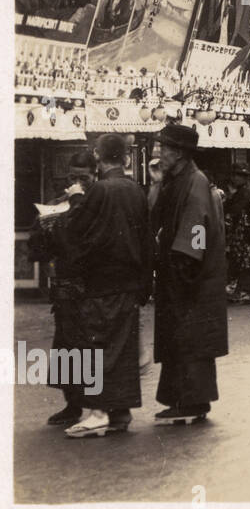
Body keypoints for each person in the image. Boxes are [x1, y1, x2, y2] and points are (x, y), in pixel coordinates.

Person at [56, 137, 153, 437]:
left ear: (98, 156)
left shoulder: (99, 190)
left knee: (97, 346)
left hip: (102, 283)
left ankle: (98, 412)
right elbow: (147, 239)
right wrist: (144, 284)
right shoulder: (136, 190)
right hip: (129, 282)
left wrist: (75, 201)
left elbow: (81, 232)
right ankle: (120, 414)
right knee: (121, 351)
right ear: (124, 157)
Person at [151, 123, 229, 424]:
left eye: (165, 148)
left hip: (190, 275)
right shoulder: (177, 180)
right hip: (179, 273)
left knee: (191, 341)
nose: (160, 153)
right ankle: (181, 399)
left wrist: (185, 261)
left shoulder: (195, 183)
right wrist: (157, 184)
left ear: (180, 153)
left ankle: (194, 401)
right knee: (180, 340)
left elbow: (197, 227)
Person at [28, 152, 97, 428]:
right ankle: (73, 404)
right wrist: (45, 231)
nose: (77, 183)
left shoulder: (97, 203)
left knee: (91, 345)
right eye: (73, 177)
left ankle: (96, 406)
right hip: (65, 288)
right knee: (67, 344)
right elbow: (36, 249)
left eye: (84, 177)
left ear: (95, 174)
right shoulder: (57, 204)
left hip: (92, 286)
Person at [223, 162, 250, 290]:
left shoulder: (246, 192)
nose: (236, 178)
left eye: (240, 175)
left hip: (241, 231)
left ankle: (238, 286)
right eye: (235, 175)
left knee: (238, 259)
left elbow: (236, 211)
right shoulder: (241, 191)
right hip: (237, 230)